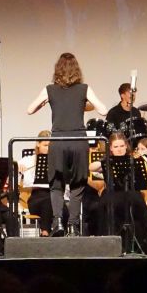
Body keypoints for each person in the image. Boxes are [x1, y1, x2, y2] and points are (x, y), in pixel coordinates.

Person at [27, 52, 108, 236]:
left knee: (56, 184)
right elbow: (103, 110)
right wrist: (85, 103)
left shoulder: (50, 89)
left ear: (58, 69)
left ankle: (57, 223)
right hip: (79, 141)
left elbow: (29, 109)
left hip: (58, 141)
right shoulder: (84, 88)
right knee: (77, 185)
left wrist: (45, 102)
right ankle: (72, 225)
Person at [87, 132, 147, 252]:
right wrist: (106, 160)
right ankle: (109, 242)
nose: (119, 149)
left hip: (130, 191)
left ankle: (140, 242)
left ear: (126, 146)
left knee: (138, 203)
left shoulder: (133, 160)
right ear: (110, 148)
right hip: (113, 191)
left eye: (122, 146)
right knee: (105, 204)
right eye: (116, 147)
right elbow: (91, 167)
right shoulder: (107, 160)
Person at [17, 131, 55, 235]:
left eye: (51, 146)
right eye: (46, 145)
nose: (48, 149)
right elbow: (12, 171)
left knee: (64, 210)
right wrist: (17, 169)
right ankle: (45, 232)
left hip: (53, 197)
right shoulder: (28, 160)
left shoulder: (56, 162)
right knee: (48, 199)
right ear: (38, 144)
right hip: (35, 198)